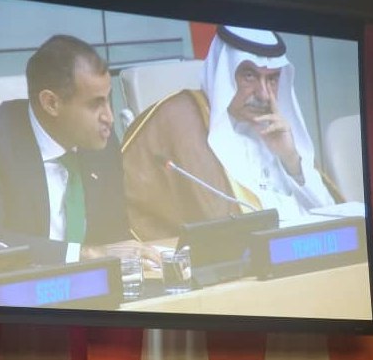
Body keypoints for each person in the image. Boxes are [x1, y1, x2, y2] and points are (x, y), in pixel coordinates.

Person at [0, 34, 152, 265]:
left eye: (108, 100)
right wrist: (84, 255)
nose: (109, 117)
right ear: (51, 103)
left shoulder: (101, 145)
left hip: (88, 284)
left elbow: (114, 236)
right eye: (94, 104)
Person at [122, 25, 341, 240]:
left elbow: (334, 215)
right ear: (224, 73)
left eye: (272, 79)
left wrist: (291, 160)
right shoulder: (182, 122)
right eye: (249, 76)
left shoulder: (280, 132)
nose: (264, 95)